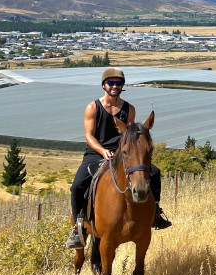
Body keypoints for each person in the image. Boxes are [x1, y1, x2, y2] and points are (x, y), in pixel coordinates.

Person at [66, 68, 171, 249]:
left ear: (123, 86)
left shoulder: (129, 108)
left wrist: (129, 152)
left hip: (122, 153)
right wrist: (103, 151)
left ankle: (156, 213)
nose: (115, 86)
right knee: (77, 186)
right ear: (104, 85)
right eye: (111, 83)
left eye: (118, 83)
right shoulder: (93, 107)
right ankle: (78, 228)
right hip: (95, 153)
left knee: (154, 172)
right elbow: (89, 136)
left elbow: (129, 136)